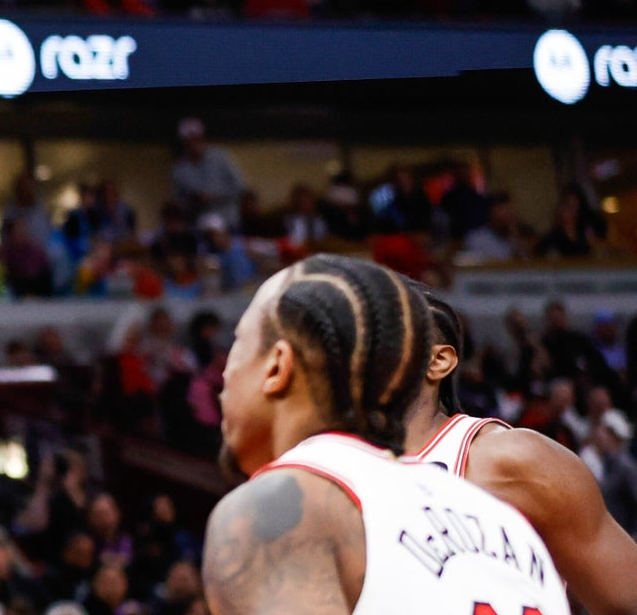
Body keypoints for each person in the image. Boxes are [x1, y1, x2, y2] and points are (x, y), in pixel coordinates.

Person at [203, 254, 568, 615]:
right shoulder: (505, 522)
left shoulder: (281, 506)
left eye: (237, 343)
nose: (223, 378)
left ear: (278, 366)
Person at [402, 290, 637, 614]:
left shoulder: (514, 457)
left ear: (438, 360)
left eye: (383, 333)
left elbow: (627, 599)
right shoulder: (329, 460)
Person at [171, 118, 246, 231]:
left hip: (227, 223)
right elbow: (178, 201)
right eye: (188, 140)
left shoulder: (220, 157)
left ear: (202, 138)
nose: (192, 144)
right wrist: (193, 201)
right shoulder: (179, 169)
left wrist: (214, 195)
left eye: (196, 139)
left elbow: (239, 186)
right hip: (200, 226)